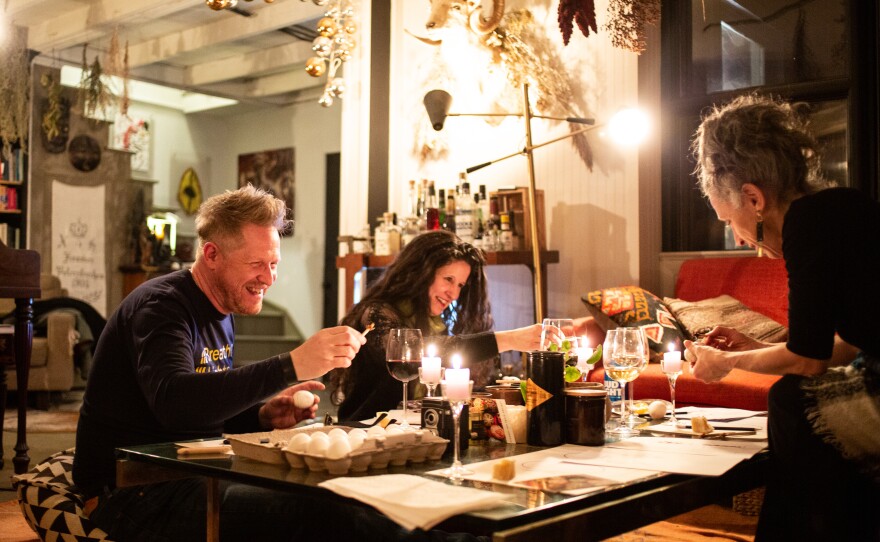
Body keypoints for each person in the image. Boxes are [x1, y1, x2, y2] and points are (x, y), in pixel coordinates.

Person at [73, 185, 477, 542]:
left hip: (188, 475)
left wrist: (262, 413)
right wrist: (291, 365)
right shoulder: (162, 307)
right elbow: (174, 402)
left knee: (339, 493)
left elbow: (201, 410)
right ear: (211, 255)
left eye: (274, 263)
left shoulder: (219, 307)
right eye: (256, 265)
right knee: (324, 511)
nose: (269, 278)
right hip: (132, 492)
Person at [685, 94, 880, 541]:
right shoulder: (841, 206)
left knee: (795, 401)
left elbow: (808, 361)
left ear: (754, 198)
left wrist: (728, 365)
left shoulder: (806, 226)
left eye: (729, 220)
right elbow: (846, 345)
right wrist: (754, 349)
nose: (737, 240)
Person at [331, 229, 542, 422]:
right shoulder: (376, 314)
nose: (455, 294)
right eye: (448, 279)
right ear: (420, 272)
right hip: (361, 434)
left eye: (460, 284)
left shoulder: (435, 323)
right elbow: (415, 348)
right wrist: (510, 339)